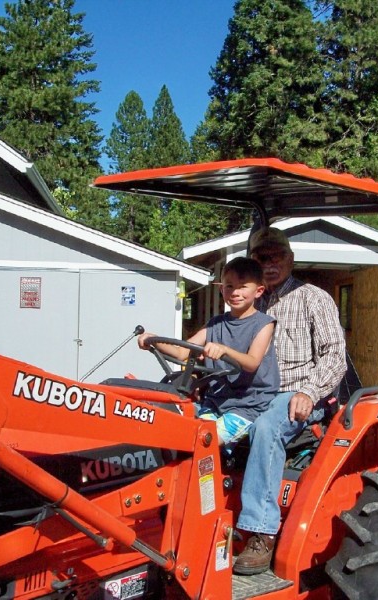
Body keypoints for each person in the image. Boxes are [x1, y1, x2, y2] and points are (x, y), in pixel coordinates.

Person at [233, 227, 347, 575]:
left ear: (290, 260)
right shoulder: (250, 301)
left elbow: (335, 356)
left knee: (267, 427)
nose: (269, 264)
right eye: (260, 258)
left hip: (298, 394)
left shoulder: (313, 298)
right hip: (254, 392)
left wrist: (308, 392)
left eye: (276, 257)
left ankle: (261, 531)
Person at [138, 257, 279, 450]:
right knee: (179, 436)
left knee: (202, 442)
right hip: (215, 403)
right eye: (229, 286)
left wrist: (224, 350)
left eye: (242, 286)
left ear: (259, 291)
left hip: (248, 406)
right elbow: (181, 352)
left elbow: (252, 362)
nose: (235, 292)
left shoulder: (264, 324)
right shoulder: (215, 324)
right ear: (221, 289)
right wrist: (154, 340)